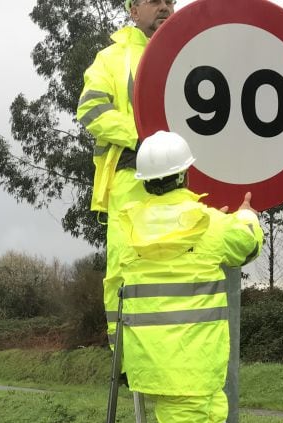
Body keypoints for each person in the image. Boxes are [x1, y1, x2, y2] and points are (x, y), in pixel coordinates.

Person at [118, 131, 263, 423]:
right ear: (184, 173)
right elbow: (247, 244)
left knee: (211, 413)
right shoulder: (207, 225)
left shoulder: (127, 230)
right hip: (192, 369)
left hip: (147, 366)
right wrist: (246, 215)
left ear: (144, 181)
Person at [75, 0, 176, 344]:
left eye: (170, 1)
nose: (164, 7)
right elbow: (91, 109)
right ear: (134, 11)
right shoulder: (112, 59)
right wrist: (145, 135)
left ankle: (176, 340)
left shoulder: (190, 48)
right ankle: (123, 347)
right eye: (155, 1)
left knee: (183, 257)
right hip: (131, 173)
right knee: (125, 262)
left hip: (185, 177)